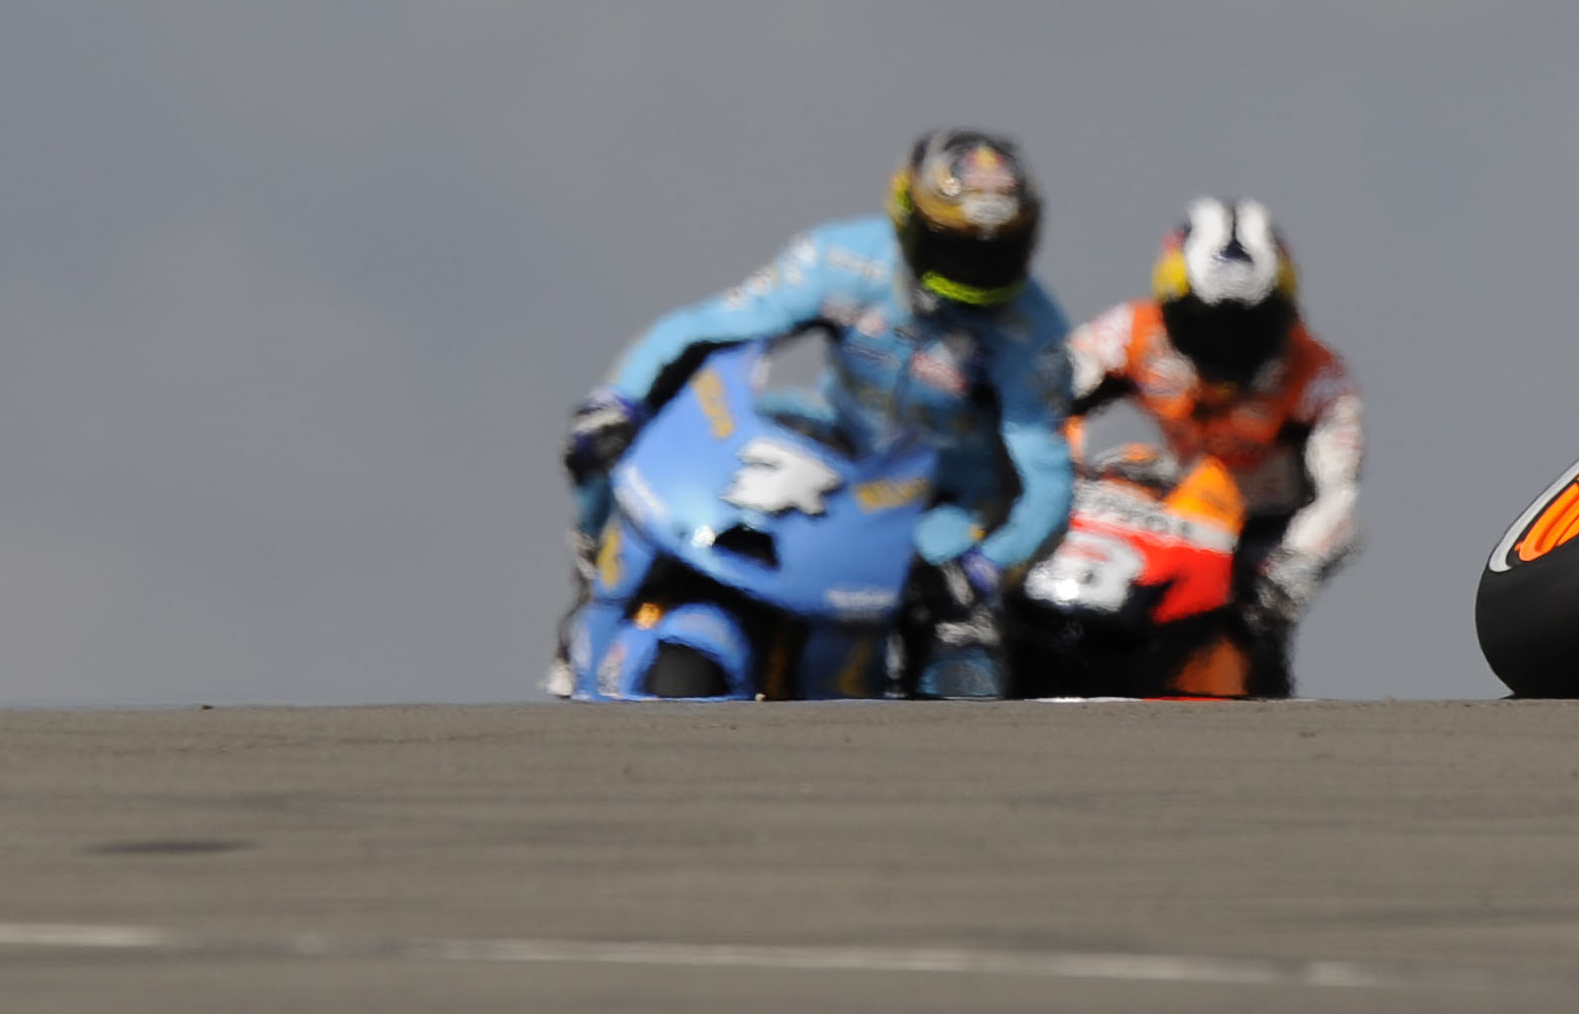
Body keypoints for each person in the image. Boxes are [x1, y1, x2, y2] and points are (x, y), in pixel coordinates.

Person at [553, 129, 1076, 699]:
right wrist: (620, 399)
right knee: (600, 444)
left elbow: (1047, 479)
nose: (977, 269)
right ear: (908, 220)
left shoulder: (1034, 334)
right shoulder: (841, 258)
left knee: (959, 647)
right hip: (835, 449)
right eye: (958, 246)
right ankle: (592, 581)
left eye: (997, 250)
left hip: (944, 501)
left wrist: (985, 568)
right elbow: (705, 328)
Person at [1062, 196, 1363, 695]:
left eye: (1251, 328)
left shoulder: (1321, 379)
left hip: (1254, 543)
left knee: (1249, 658)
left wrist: (1291, 571)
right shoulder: (1130, 331)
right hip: (1153, 519)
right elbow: (1041, 396)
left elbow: (1340, 500)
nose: (1226, 348)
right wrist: (1054, 480)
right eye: (1204, 323)